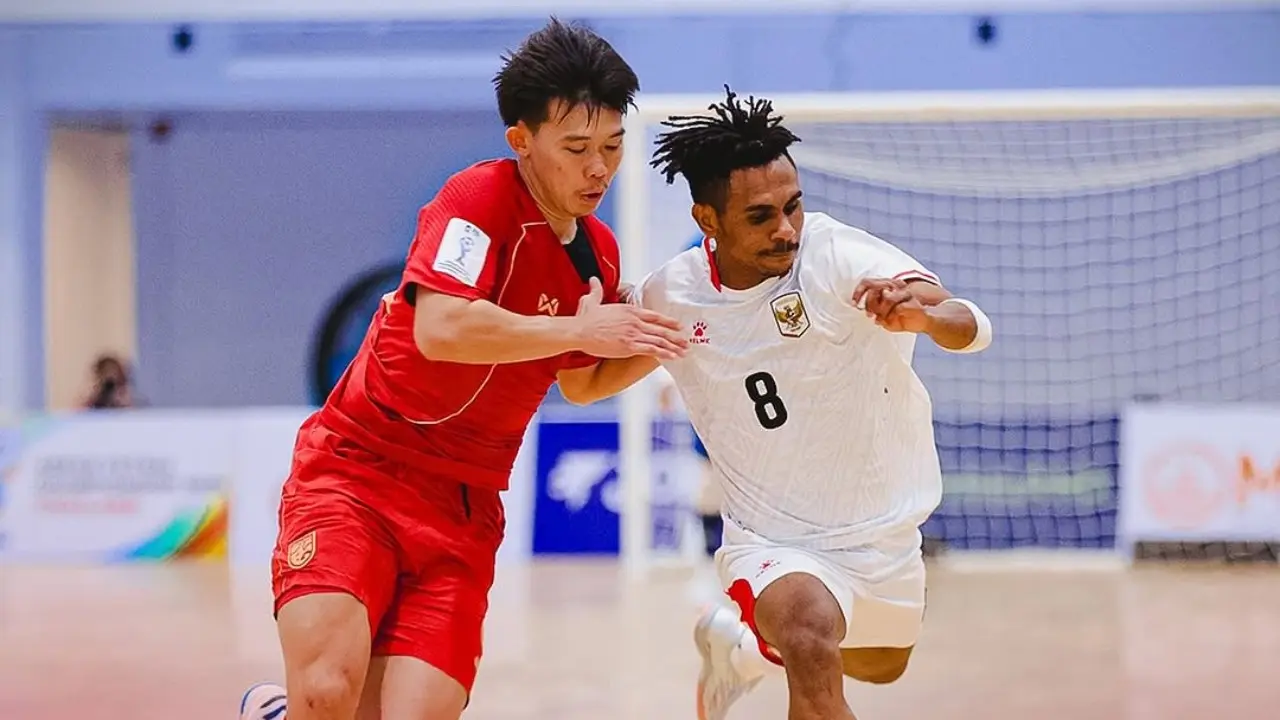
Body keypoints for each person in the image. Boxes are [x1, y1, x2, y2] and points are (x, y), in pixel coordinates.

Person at [239, 19, 687, 720]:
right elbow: (442, 328)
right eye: (576, 148)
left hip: (463, 509)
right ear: (521, 141)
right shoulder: (477, 200)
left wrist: (659, 341)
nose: (599, 167)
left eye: (612, 146)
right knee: (327, 693)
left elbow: (580, 378)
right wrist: (580, 326)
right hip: (358, 474)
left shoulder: (595, 252)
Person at [566, 86, 994, 720]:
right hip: (772, 540)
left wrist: (923, 320)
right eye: (761, 216)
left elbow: (965, 321)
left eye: (793, 207)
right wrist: (582, 332)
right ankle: (765, 635)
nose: (786, 228)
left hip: (881, 532)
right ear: (708, 221)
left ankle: (740, 651)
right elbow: (587, 385)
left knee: (879, 664)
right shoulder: (674, 296)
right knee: (809, 635)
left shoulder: (837, 254)